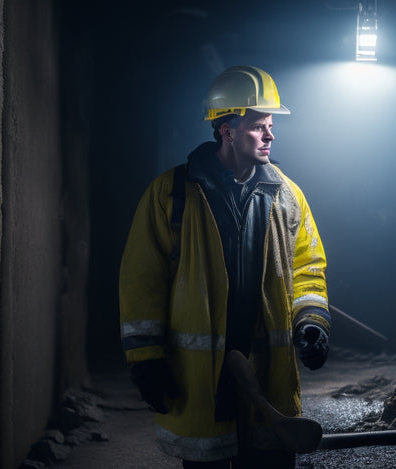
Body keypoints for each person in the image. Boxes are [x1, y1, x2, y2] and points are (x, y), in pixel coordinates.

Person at [119, 65, 330, 468]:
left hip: (268, 376)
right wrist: (145, 359)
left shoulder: (288, 195)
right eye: (258, 126)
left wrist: (312, 322)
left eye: (270, 125)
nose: (270, 135)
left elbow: (308, 267)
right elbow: (142, 279)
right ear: (226, 129)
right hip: (200, 379)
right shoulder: (171, 195)